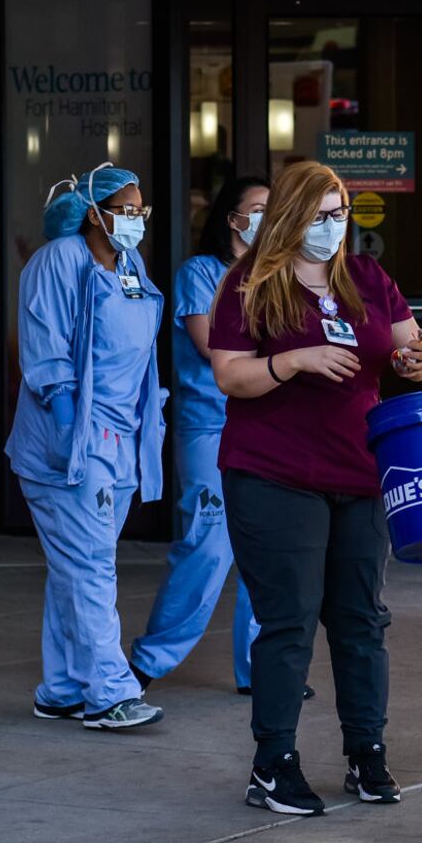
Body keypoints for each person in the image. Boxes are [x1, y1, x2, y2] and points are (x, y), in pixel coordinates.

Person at [209, 160, 422, 816]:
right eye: (321, 216)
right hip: (274, 475)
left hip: (359, 472)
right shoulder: (250, 285)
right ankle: (272, 764)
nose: (334, 228)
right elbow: (230, 375)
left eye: (341, 215)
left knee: (361, 621)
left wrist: (417, 359)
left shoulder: (367, 278)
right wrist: (293, 360)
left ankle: (367, 755)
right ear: (289, 217)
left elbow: (408, 349)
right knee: (289, 621)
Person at [5, 163, 166, 730]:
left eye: (140, 211)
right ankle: (109, 691)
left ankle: (61, 687)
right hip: (70, 442)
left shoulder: (130, 264)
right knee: (91, 563)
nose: (135, 221)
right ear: (93, 212)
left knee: (77, 563)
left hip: (121, 439)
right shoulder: (58, 262)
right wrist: (75, 431)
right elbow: (46, 356)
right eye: (125, 210)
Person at [130, 176, 269, 695]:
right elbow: (213, 348)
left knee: (265, 548)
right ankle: (148, 660)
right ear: (230, 218)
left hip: (266, 423)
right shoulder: (200, 273)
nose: (266, 219)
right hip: (210, 423)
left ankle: (263, 669)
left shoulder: (276, 273)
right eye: (257, 209)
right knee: (208, 544)